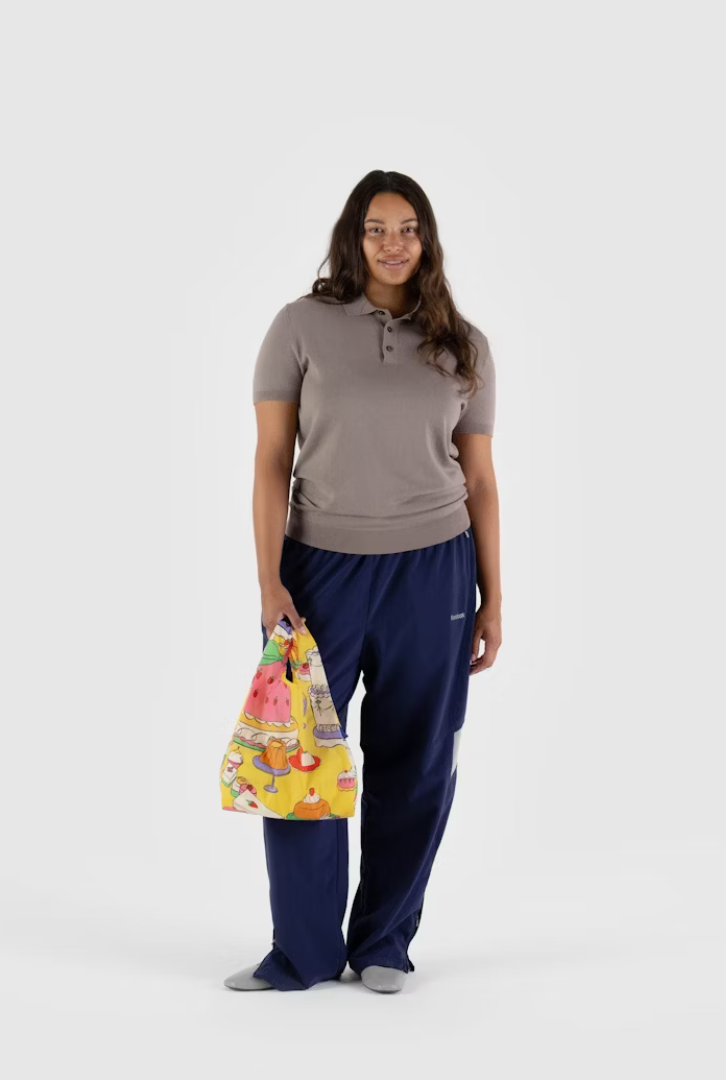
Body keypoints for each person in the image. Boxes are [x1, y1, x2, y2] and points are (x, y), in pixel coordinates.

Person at [225, 169, 502, 993]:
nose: (394, 242)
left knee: (417, 760)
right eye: (378, 227)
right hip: (320, 572)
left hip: (436, 570)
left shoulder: (465, 343)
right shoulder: (299, 327)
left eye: (409, 227)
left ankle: (384, 942)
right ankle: (302, 953)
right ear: (354, 236)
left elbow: (481, 480)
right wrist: (270, 579)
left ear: (429, 238)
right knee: (299, 754)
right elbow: (272, 459)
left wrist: (495, 595)